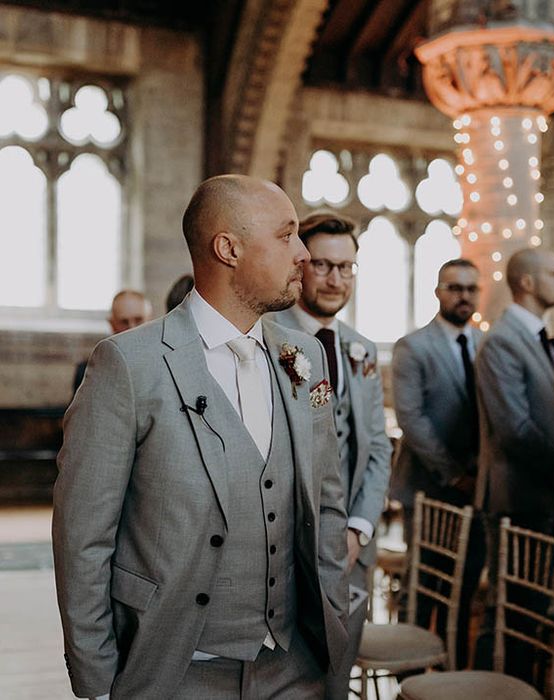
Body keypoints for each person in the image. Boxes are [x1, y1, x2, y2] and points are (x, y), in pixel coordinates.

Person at [53, 175, 349, 700]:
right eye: (286, 236)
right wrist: (97, 680)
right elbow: (83, 536)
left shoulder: (304, 358)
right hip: (177, 668)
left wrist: (339, 624)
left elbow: (326, 499)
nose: (302, 254)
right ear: (228, 248)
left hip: (297, 665)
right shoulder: (128, 365)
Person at [269, 211, 391, 699]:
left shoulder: (360, 350)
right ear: (299, 265)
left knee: (336, 673)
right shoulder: (265, 336)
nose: (335, 279)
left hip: (351, 547)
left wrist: (359, 528)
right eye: (322, 265)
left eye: (346, 268)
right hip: (281, 540)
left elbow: (378, 447)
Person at [391, 258, 485, 670]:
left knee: (464, 580)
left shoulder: (486, 343)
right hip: (429, 483)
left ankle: (452, 663)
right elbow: (412, 419)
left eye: (470, 288)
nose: (463, 295)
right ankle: (407, 670)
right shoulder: (414, 345)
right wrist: (454, 473)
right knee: (423, 579)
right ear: (438, 291)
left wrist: (479, 472)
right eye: (454, 287)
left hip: (477, 486)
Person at [475, 247, 554, 535]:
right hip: (518, 498)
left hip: (543, 495)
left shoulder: (538, 335)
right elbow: (514, 429)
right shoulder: (502, 340)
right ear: (527, 283)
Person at [72, 289, 152, 395]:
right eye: (124, 322)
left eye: (138, 320)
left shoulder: (165, 364)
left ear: (150, 320)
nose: (132, 328)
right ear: (112, 324)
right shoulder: (89, 371)